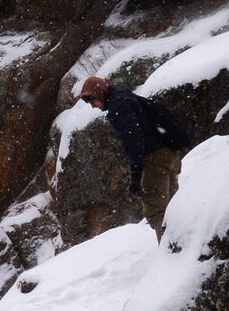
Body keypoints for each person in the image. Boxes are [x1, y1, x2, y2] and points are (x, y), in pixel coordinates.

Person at [78, 75, 190, 239]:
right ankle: (187, 245)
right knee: (173, 207)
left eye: (92, 100)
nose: (93, 106)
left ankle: (174, 253)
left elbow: (134, 141)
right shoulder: (126, 97)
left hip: (155, 160)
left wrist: (136, 176)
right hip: (169, 154)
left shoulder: (119, 106)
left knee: (157, 212)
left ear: (99, 93)